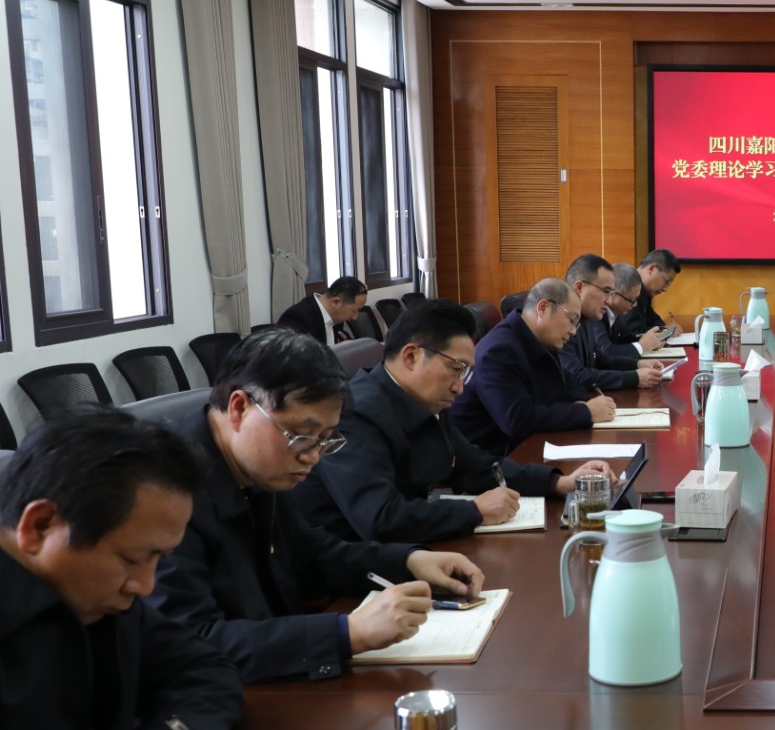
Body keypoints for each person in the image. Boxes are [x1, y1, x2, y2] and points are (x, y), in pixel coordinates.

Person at [0, 409, 250, 730]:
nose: (147, 586)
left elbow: (203, 667)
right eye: (133, 559)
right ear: (41, 526)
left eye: (159, 560)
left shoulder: (96, 595)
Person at [150, 330, 486, 685]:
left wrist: (408, 561)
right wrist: (346, 634)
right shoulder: (163, 492)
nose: (312, 456)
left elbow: (308, 555)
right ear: (239, 408)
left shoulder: (257, 467)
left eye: (325, 440)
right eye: (301, 436)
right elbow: (189, 644)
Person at [293, 301, 612, 543]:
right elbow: (379, 518)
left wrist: (558, 482)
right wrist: (474, 512)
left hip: (408, 549)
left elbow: (477, 465)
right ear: (411, 356)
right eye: (456, 369)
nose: (460, 386)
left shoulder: (425, 400)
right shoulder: (354, 414)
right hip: (350, 578)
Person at [451, 278, 617, 453]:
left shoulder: (537, 338)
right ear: (543, 308)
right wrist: (585, 412)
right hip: (491, 457)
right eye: (571, 320)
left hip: (522, 446)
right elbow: (517, 420)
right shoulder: (499, 350)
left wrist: (583, 401)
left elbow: (563, 378)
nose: (573, 331)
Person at [559, 254, 664, 392]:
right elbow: (576, 376)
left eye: (611, 293)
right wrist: (633, 378)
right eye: (606, 291)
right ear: (579, 288)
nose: (609, 301)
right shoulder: (560, 321)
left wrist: (636, 364)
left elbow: (598, 360)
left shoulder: (586, 318)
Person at [612, 248, 680, 343]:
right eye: (666, 281)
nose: (665, 289)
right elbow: (632, 333)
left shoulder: (645, 292)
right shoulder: (629, 287)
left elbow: (652, 319)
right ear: (651, 269)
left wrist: (665, 328)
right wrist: (664, 330)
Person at [276, 276, 368, 345]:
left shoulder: (336, 318)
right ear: (336, 302)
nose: (355, 317)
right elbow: (298, 358)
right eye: (355, 310)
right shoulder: (297, 317)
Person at [605, 263, 670, 357]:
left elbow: (624, 339)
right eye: (632, 300)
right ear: (613, 294)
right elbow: (605, 353)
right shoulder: (596, 316)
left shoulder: (615, 315)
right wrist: (641, 347)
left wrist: (650, 340)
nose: (635, 304)